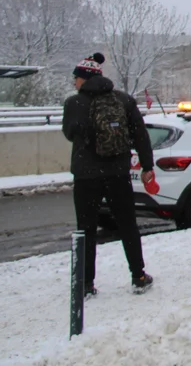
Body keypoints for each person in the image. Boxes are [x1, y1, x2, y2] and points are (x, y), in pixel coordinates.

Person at [62, 53, 155, 296]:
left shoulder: (74, 103)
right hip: (117, 173)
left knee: (86, 229)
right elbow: (141, 135)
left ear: (85, 78)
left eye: (77, 78)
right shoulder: (124, 100)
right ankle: (139, 275)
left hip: (86, 175)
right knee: (127, 225)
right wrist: (147, 166)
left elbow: (69, 133)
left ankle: (85, 284)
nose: (74, 82)